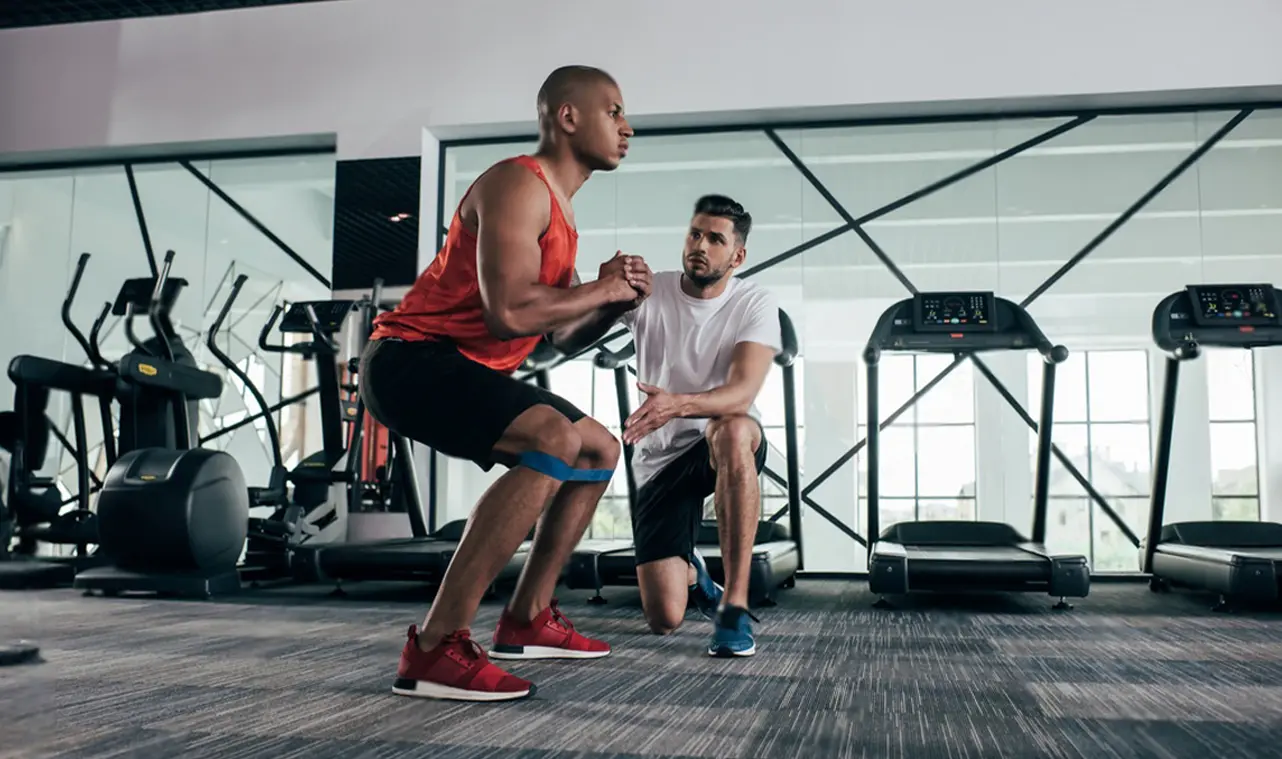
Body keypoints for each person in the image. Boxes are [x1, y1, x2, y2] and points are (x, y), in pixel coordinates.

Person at [359, 65, 648, 702]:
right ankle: (435, 646)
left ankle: (528, 617)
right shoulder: (520, 183)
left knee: (597, 446)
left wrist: (611, 305)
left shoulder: (562, 216)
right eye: (615, 112)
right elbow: (510, 312)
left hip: (455, 366)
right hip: (408, 359)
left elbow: (558, 337)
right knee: (551, 436)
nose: (627, 129)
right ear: (568, 117)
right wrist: (600, 287)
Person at [619, 193, 780, 657]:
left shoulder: (755, 301)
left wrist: (676, 405)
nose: (700, 245)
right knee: (664, 618)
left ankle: (733, 604)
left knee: (731, 427)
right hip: (659, 460)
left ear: (737, 255)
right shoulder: (652, 292)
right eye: (695, 234)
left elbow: (742, 393)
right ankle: (696, 574)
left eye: (715, 239)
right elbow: (582, 312)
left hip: (722, 439)